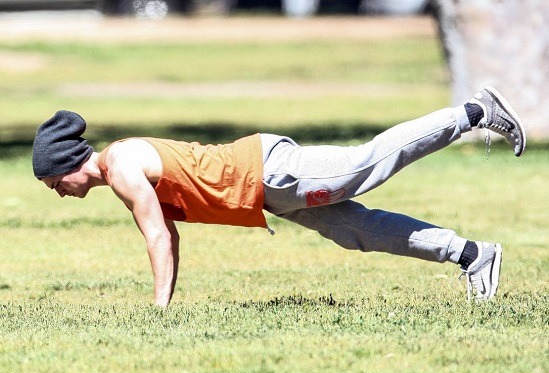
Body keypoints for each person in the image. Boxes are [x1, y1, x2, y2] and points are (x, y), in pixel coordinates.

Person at [32, 86, 526, 307]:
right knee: (359, 231)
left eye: (54, 183)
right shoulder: (120, 170)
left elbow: (159, 237)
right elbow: (169, 234)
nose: (58, 193)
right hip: (265, 193)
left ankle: (474, 112)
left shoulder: (120, 167)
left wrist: (160, 310)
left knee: (368, 162)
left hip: (270, 172)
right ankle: (472, 256)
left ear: (66, 166)